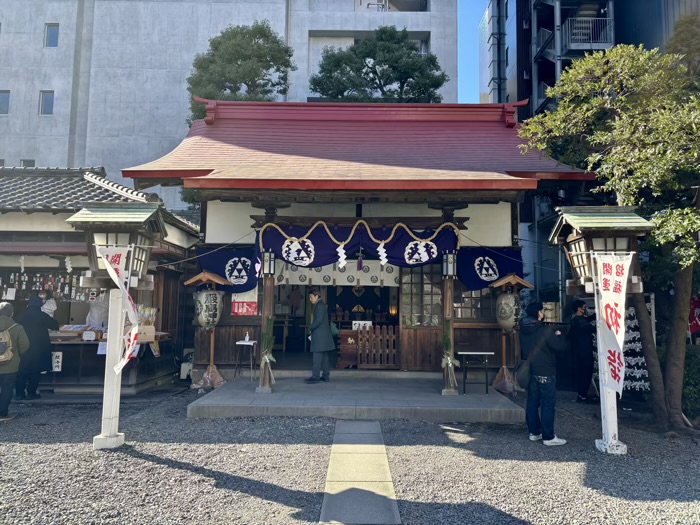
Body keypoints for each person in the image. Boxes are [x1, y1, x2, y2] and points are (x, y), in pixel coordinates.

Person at [520, 301, 569, 446]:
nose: (543, 313)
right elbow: (560, 347)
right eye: (542, 311)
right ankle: (548, 436)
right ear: (538, 313)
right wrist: (559, 335)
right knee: (548, 404)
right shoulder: (544, 330)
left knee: (533, 402)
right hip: (546, 370)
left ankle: (534, 432)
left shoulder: (523, 328)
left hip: (530, 370)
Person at [15, 295, 59, 400]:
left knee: (21, 371)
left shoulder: (20, 316)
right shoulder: (42, 315)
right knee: (35, 371)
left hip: (23, 348)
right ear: (40, 305)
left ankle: (19, 394)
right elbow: (55, 325)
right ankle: (31, 393)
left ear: (28, 304)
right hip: (39, 349)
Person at [0, 302, 30, 421]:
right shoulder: (17, 327)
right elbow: (25, 345)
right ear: (12, 313)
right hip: (10, 364)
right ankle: (2, 414)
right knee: (7, 389)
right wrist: (16, 354)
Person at [570, 299, 598, 404]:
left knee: (583, 372)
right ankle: (582, 395)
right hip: (584, 350)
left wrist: (596, 315)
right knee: (586, 372)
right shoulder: (580, 322)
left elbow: (588, 319)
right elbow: (592, 328)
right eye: (584, 307)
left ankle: (582, 394)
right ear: (579, 309)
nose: (585, 309)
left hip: (580, 350)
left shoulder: (576, 319)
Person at [305, 289, 335, 384]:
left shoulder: (320, 306)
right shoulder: (320, 305)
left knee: (317, 355)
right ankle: (325, 375)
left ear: (317, 296)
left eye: (311, 297)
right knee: (324, 356)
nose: (310, 299)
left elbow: (318, 320)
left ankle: (315, 376)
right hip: (323, 335)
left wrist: (310, 327)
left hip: (320, 335)